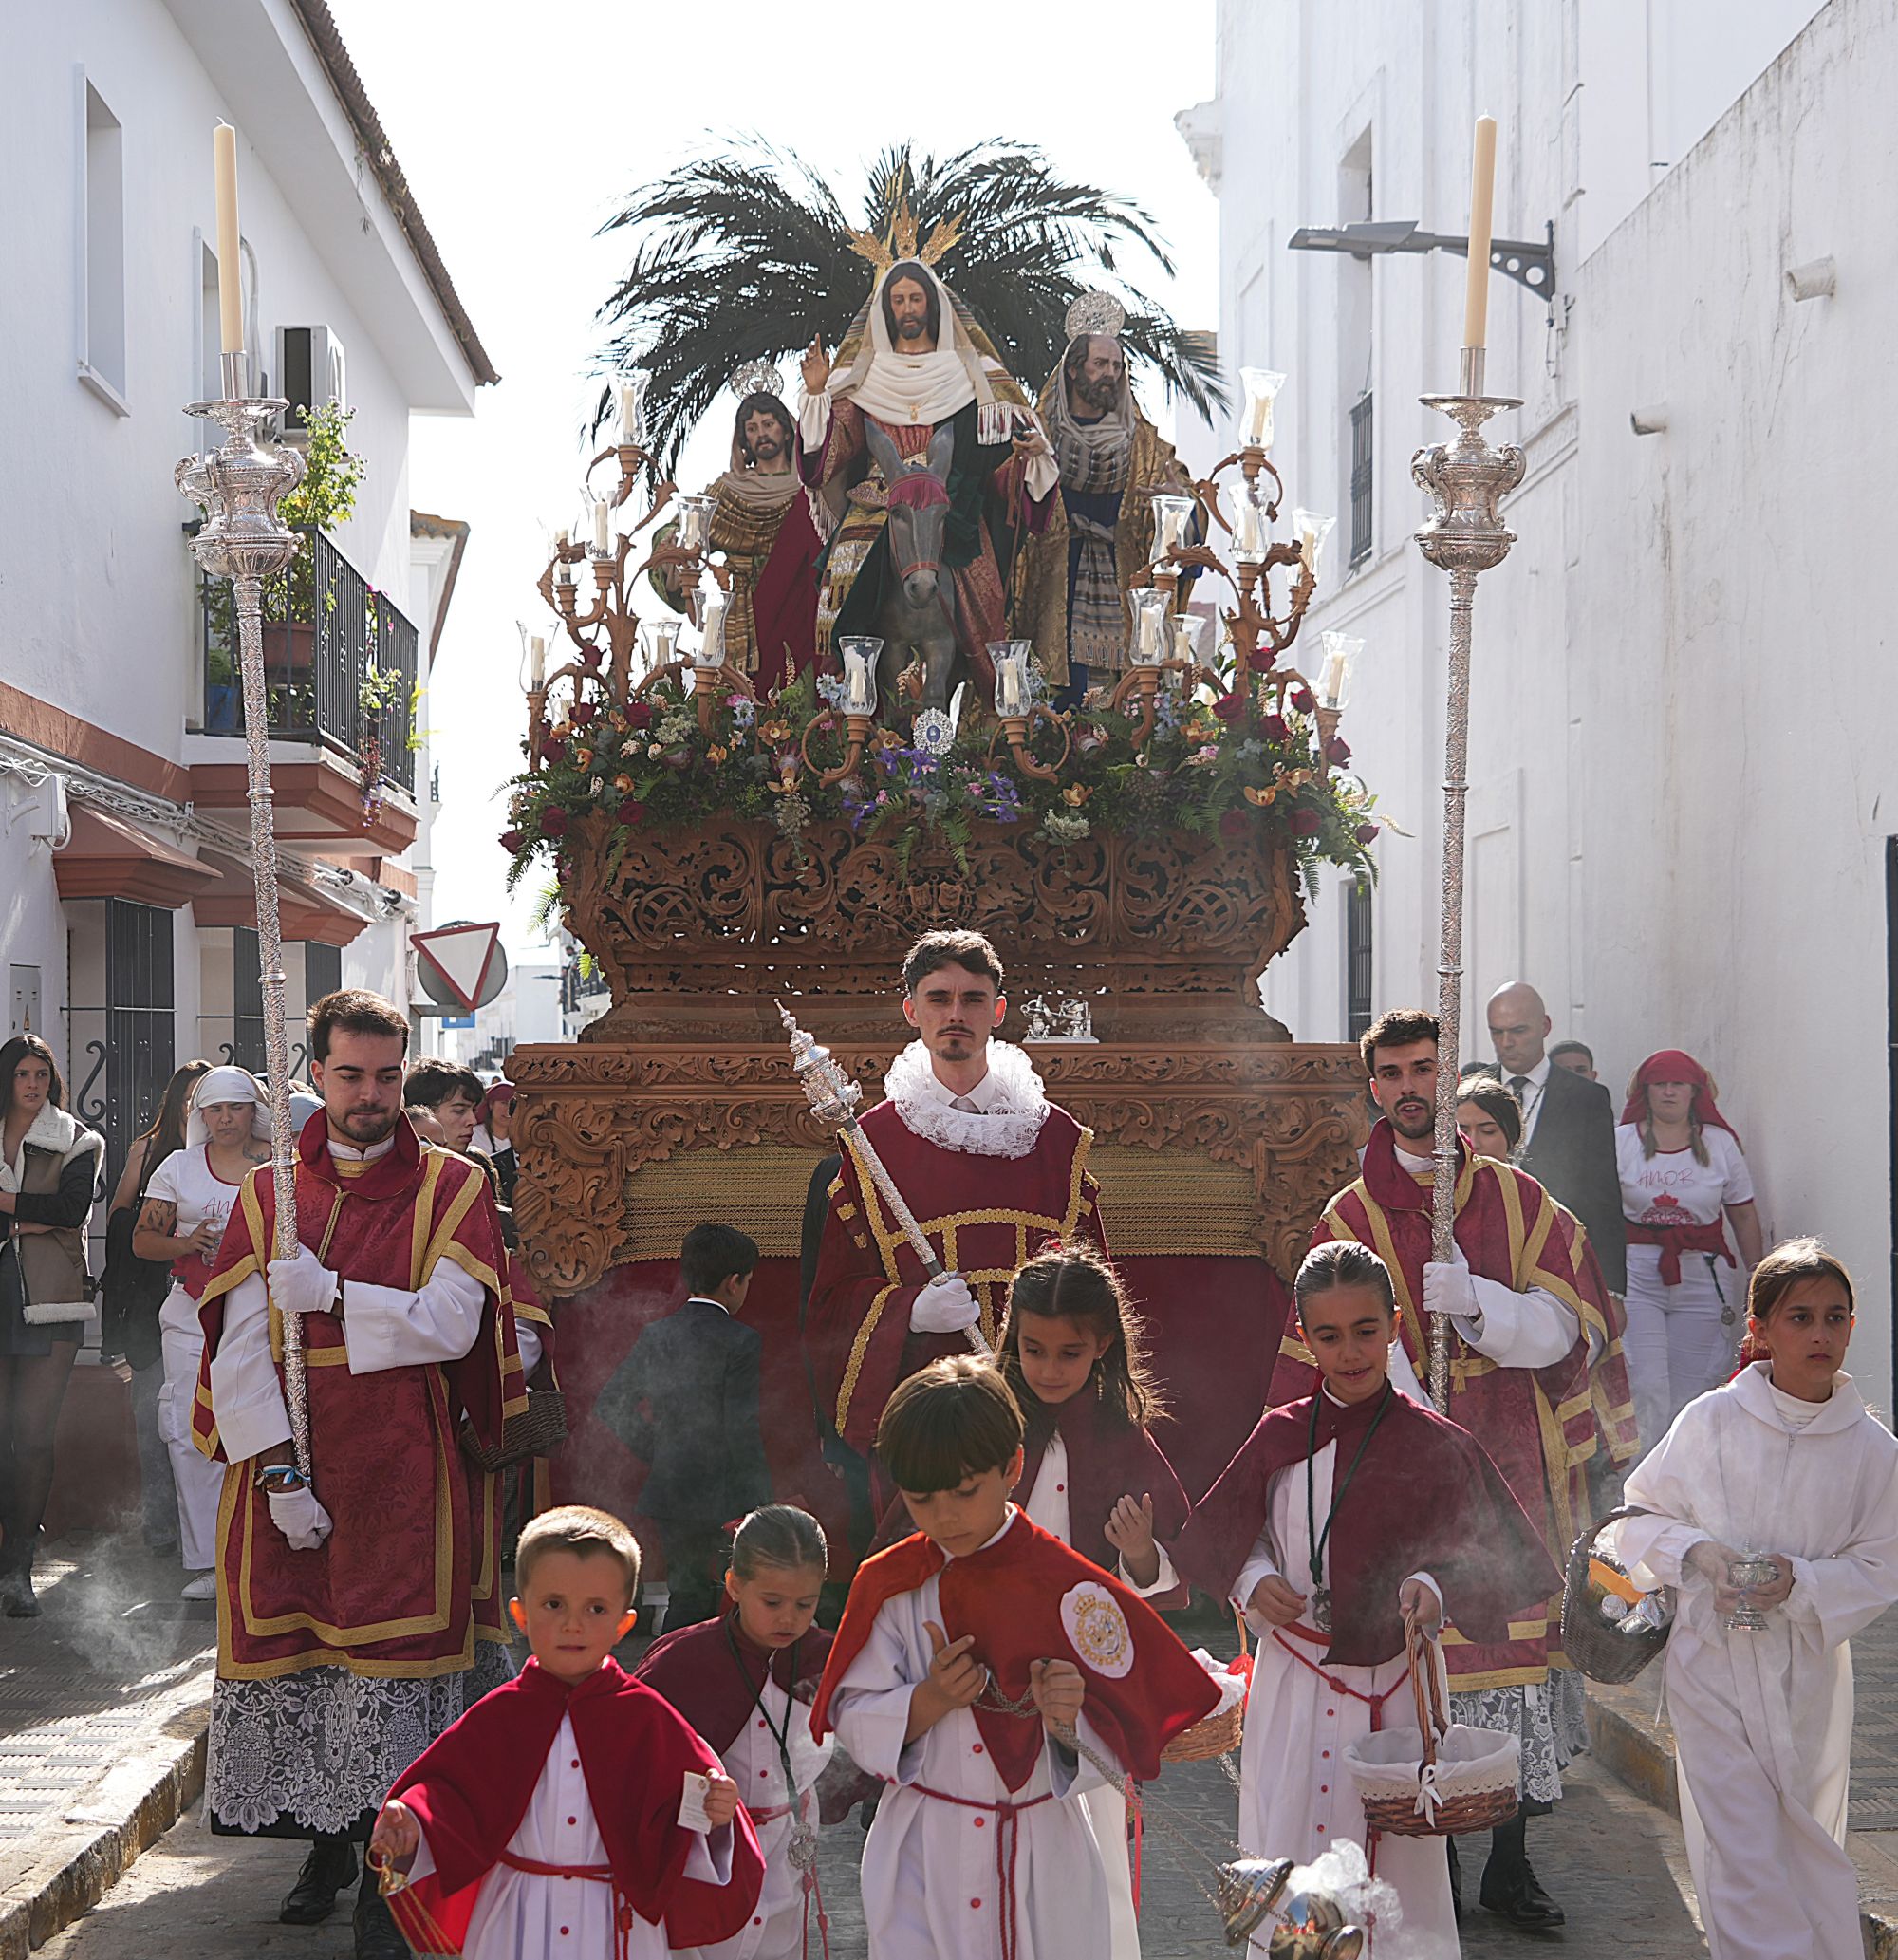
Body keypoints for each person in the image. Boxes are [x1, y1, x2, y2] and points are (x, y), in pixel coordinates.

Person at [1267, 1007, 1635, 1931]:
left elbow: (1572, 1327)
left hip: (1505, 1466)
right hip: (1403, 1473)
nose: (1406, 1087)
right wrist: (1400, 1387)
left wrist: (1479, 1304)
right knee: (1419, 1672)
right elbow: (1323, 1351)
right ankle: (1433, 1863)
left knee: (1511, 1670)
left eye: (1421, 1069)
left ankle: (1509, 1866)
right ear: (1371, 1088)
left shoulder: (1517, 1203)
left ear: (1446, 1078)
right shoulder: (1343, 1218)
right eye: (1388, 1073)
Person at [192, 988, 521, 1960]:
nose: (369, 1095)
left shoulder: (453, 1187)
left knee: (397, 1683)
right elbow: (242, 1349)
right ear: (315, 1075)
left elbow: (454, 1322)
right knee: (318, 1676)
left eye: (385, 1075)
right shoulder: (267, 1194)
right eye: (349, 1076)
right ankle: (328, 1852)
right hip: (294, 1463)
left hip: (408, 1462)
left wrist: (332, 1291)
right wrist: (280, 1474)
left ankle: (391, 1899)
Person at [1179, 1242, 1560, 1955]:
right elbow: (1234, 1537)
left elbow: (1486, 1556)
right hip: (1294, 1683)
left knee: (1394, 1885)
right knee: (1289, 1855)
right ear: (1305, 1336)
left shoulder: (1436, 1445)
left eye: (1365, 1330)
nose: (1350, 1351)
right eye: (1328, 1335)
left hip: (1387, 1691)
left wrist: (1431, 1587)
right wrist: (1253, 1577)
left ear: (1393, 1327)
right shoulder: (1280, 1435)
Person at [809, 1356, 1219, 1960]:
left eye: (964, 1492)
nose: (944, 1516)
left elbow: (1121, 1723)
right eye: (921, 1500)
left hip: (1041, 1848)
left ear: (1012, 1468)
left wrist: (1065, 1718)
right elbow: (853, 1713)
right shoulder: (894, 1585)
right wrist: (927, 1701)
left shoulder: (1070, 1588)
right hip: (929, 1851)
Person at [1615, 1241, 1898, 1959]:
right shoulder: (1711, 1419)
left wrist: (1801, 1579)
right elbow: (1640, 1516)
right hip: (1711, 1662)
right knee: (1743, 1847)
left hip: (1807, 1670)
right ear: (1760, 1330)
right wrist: (1698, 1553)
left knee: (1806, 1840)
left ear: (1852, 1327)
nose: (1820, 1334)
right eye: (1799, 1317)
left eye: (1836, 1317)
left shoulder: (1872, 1449)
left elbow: (1881, 1562)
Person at [368, 1504, 764, 1960]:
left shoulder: (648, 1718)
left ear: (623, 1624)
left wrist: (716, 1813)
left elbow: (689, 1810)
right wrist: (412, 1821)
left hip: (614, 1923)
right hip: (516, 1921)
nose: (573, 1624)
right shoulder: (498, 1715)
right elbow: (447, 1794)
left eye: (596, 1609)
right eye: (554, 1604)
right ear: (520, 1615)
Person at [803, 928, 1107, 1474]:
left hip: (1043, 1420)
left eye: (973, 998)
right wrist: (908, 1313)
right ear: (911, 1011)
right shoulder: (873, 1145)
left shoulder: (1057, 1142)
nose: (955, 1013)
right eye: (938, 998)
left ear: (998, 1011)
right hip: (927, 1424)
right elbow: (831, 1304)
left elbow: (1095, 1291)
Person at [996, 1244, 1192, 1960]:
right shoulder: (988, 1421)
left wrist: (1140, 1553)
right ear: (1011, 1335)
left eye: (1069, 1352)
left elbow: (1165, 1574)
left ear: (1102, 1344)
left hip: (1088, 1680)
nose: (1048, 1368)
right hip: (994, 1672)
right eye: (1034, 1348)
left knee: (1094, 1834)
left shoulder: (1119, 1436)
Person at [797, 255, 1054, 691]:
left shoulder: (968, 375)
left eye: (916, 298)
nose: (908, 308)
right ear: (886, 310)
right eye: (898, 300)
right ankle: (844, 693)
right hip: (878, 500)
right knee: (839, 590)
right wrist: (819, 393)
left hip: (948, 498)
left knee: (983, 593)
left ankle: (990, 693)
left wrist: (1030, 458)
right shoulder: (866, 374)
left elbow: (997, 458)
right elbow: (833, 447)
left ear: (933, 305)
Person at [636, 1504, 838, 1960]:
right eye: (772, 1602)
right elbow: (640, 1757)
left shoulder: (828, 1659)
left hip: (788, 1842)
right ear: (734, 1585)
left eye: (804, 1604)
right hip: (708, 1850)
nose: (788, 1618)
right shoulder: (683, 1663)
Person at [132, 1066, 272, 1598]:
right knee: (188, 1432)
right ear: (199, 1115)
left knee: (261, 1430)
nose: (224, 1119)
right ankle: (209, 1561)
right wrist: (188, 1242)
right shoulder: (178, 1167)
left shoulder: (279, 1163)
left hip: (261, 1316)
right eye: (213, 1109)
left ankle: (261, 1559)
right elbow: (144, 1241)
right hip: (189, 1319)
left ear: (251, 1109)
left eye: (234, 1107)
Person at [1015, 309, 1202, 702]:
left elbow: (1183, 498)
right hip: (1054, 584)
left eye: (1117, 366)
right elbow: (1010, 509)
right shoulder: (1039, 433)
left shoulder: (1143, 443)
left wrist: (1179, 504)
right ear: (1073, 369)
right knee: (1049, 694)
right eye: (1100, 364)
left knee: (1123, 702)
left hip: (1122, 586)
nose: (1110, 375)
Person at [597, 1223, 772, 1632]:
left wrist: (658, 1451)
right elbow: (740, 1428)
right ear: (734, 1283)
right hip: (727, 1490)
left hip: (672, 1488)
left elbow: (611, 1402)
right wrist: (762, 1499)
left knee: (686, 1591)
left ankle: (669, 1676)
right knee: (734, 1592)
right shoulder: (742, 1340)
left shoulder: (657, 1334)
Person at [0, 1033, 105, 1617]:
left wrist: (8, 1207)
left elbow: (72, 1212)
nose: (33, 1085)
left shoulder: (76, 1138)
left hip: (53, 1299)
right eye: (22, 1074)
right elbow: (51, 1216)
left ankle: (20, 1571)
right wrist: (30, 1221)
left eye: (42, 1074)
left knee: (33, 1437)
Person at [1615, 1050, 1764, 1453]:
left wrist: (1758, 1281)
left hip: (1703, 1274)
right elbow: (1600, 1216)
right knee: (1646, 1385)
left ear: (1694, 1090)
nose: (1668, 1091)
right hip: (1638, 1274)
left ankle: (1685, 1484)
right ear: (1644, 1090)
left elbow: (1744, 1217)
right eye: (1660, 1083)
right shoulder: (1621, 1142)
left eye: (1677, 1083)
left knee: (1693, 1389)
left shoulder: (1720, 1144)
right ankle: (1641, 1486)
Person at [103, 1058, 210, 1556]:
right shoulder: (151, 1152)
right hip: (152, 1297)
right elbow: (120, 1220)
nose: (200, 1112)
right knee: (155, 1417)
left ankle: (203, 1533)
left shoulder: (235, 1159)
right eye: (190, 1101)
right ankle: (163, 1529)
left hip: (207, 1301)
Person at [661, 382, 822, 693]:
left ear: (787, 430)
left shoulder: (811, 492)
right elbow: (682, 526)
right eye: (751, 428)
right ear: (743, 440)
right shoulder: (728, 493)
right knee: (738, 704)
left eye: (768, 424)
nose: (761, 433)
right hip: (743, 615)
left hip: (801, 611)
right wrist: (673, 542)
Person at [1485, 982, 1626, 1294]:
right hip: (1485, 1259)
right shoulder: (1473, 1089)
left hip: (1560, 1259)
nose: (1506, 1043)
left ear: (1545, 1026)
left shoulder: (1585, 1097)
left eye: (1518, 1031)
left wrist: (1612, 1289)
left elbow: (1603, 1194)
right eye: (1497, 1032)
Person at [404, 1059, 485, 1156]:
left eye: (474, 1110)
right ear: (424, 1112)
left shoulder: (475, 1168)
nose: (473, 1121)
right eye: (459, 1111)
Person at [1455, 1074, 1523, 1162]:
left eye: (1487, 1131)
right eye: (1462, 1133)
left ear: (1512, 1136)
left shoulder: (1517, 1176)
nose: (1474, 1144)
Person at [471, 1080, 517, 1205]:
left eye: (511, 1104)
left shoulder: (520, 1139)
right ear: (491, 1105)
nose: (507, 1110)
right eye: (503, 1103)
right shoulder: (473, 1135)